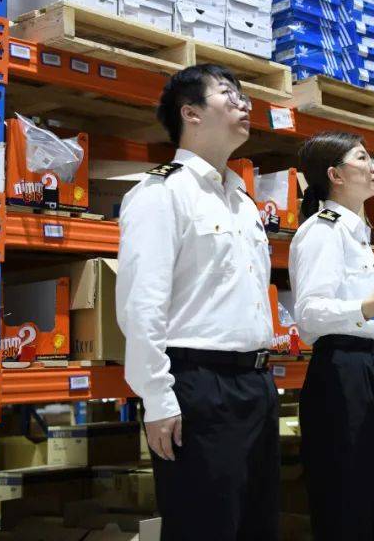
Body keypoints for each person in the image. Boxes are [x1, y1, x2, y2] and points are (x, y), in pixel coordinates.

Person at [116, 64, 278, 541]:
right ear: (191, 113)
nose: (243, 105)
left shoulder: (243, 202)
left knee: (257, 527)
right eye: (229, 94)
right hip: (199, 386)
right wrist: (157, 398)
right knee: (204, 527)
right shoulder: (161, 192)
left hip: (256, 382)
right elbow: (142, 304)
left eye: (244, 96)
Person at [289, 131, 374, 540]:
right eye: (362, 158)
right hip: (342, 371)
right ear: (335, 175)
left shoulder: (357, 237)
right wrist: (368, 306)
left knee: (370, 497)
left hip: (371, 368)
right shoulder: (322, 231)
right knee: (346, 499)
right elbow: (309, 315)